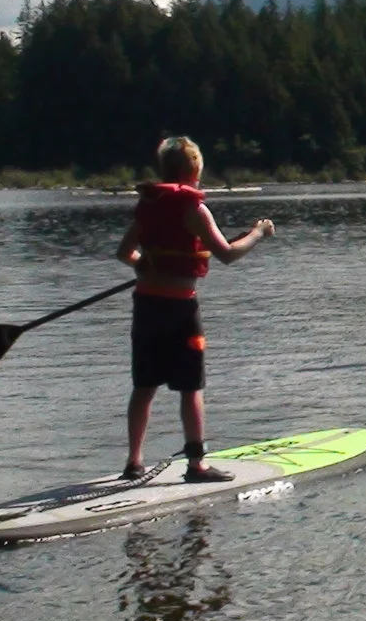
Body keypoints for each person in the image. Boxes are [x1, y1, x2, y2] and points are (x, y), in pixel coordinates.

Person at [116, 136, 274, 481]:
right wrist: (258, 233)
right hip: (180, 312)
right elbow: (228, 254)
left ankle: (133, 462)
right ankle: (196, 464)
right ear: (193, 170)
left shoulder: (151, 204)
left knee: (144, 387)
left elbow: (124, 253)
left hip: (146, 308)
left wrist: (143, 262)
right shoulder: (194, 208)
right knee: (191, 388)